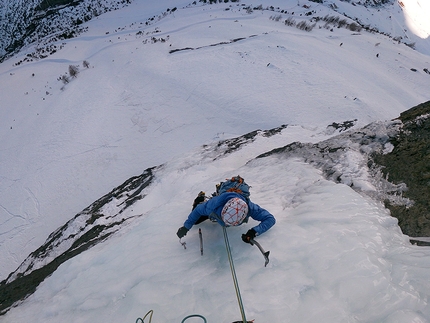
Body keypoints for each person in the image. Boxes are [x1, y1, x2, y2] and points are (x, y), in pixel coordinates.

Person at [176, 191, 275, 244]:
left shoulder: (249, 207)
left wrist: (254, 231)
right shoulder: (211, 207)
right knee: (196, 221)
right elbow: (197, 210)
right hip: (214, 207)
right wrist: (186, 227)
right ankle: (200, 199)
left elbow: (270, 219)